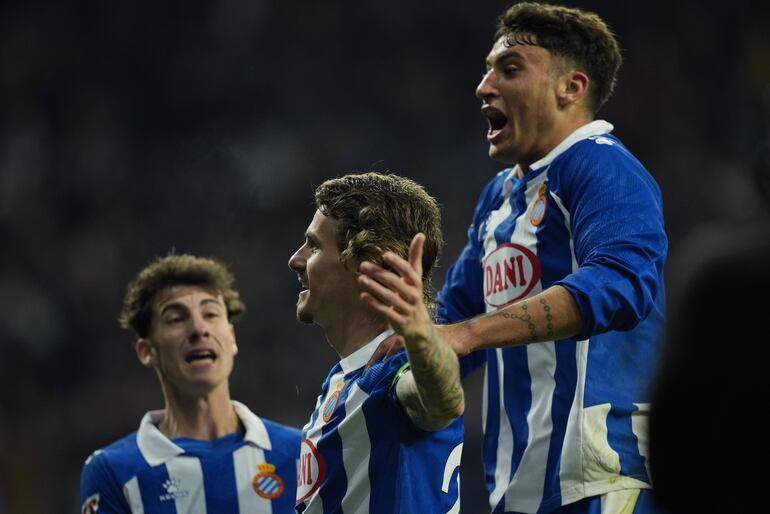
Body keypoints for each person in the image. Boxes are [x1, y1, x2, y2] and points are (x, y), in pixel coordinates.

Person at [359, 2, 667, 513]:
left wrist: (464, 333)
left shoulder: (603, 166)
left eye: (510, 68)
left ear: (571, 88)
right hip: (518, 486)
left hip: (602, 476)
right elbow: (454, 318)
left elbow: (620, 285)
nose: (484, 86)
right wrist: (404, 333)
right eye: (486, 70)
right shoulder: (499, 199)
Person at [288, 172, 465, 513]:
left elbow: (441, 400)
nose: (295, 259)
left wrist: (421, 341)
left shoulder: (394, 370)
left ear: (365, 265)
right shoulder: (342, 382)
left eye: (313, 246)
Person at [79, 253, 301, 514]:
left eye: (210, 313)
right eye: (176, 319)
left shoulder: (299, 452)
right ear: (146, 351)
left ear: (231, 338)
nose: (199, 329)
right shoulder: (113, 471)